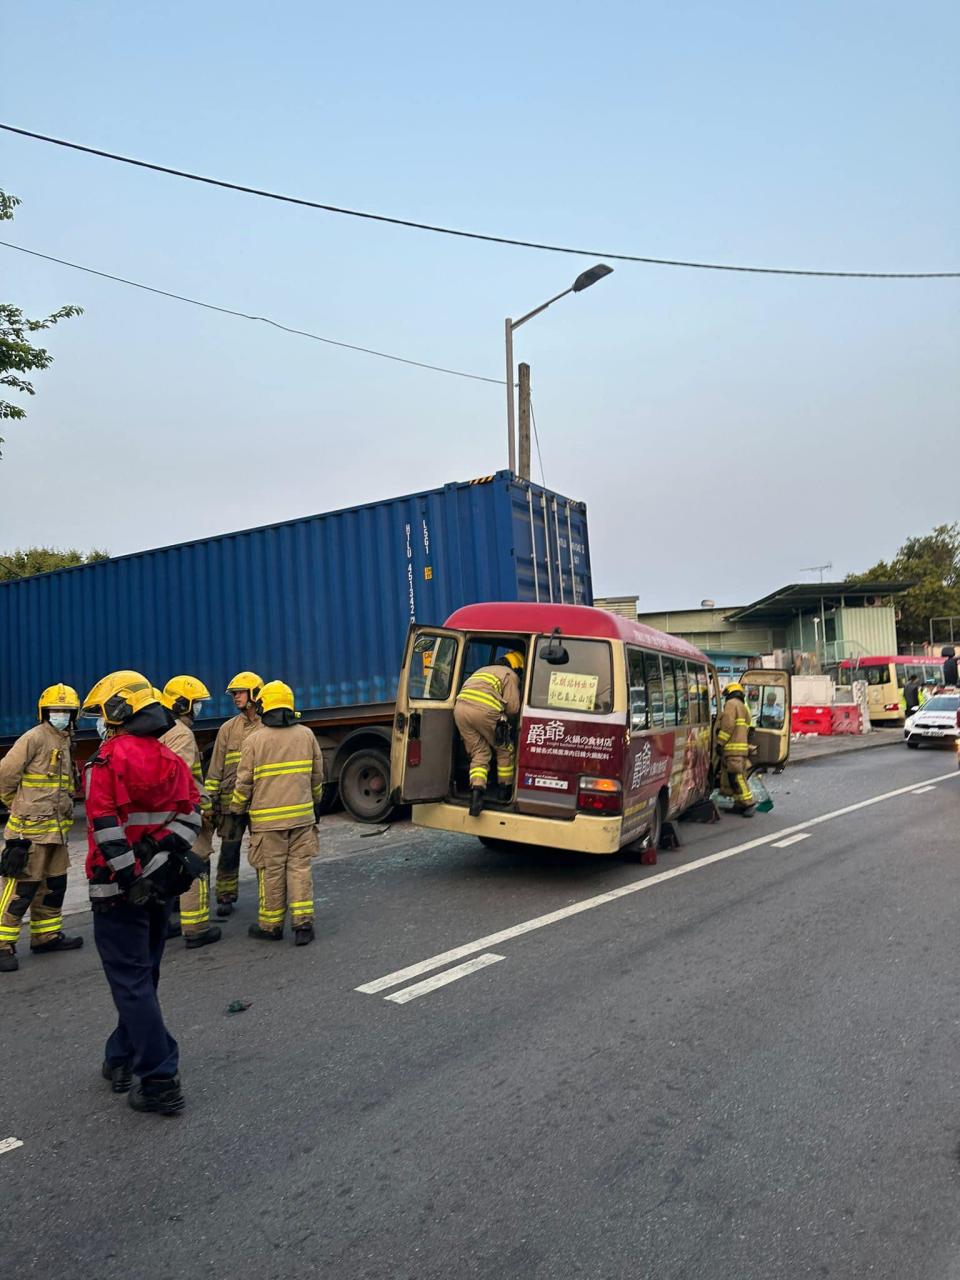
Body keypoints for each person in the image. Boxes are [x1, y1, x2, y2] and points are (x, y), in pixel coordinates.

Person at [82, 670, 203, 1116]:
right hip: (158, 887)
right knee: (143, 976)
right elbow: (191, 820)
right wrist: (154, 853)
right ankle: (121, 1055)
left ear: (117, 714)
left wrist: (131, 873)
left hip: (118, 890)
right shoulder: (171, 761)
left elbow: (105, 829)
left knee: (131, 981)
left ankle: (159, 1076)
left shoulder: (105, 762)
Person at [227, 680, 324, 946]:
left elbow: (243, 782)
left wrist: (236, 810)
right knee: (300, 868)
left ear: (263, 706)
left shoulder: (254, 739)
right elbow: (317, 777)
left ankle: (271, 926)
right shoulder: (307, 735)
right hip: (302, 818)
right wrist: (315, 804)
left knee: (272, 871)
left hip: (267, 823)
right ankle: (303, 925)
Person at [0, 684, 84, 973]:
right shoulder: (34, 737)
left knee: (53, 885)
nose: (60, 715)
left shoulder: (65, 740)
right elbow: (5, 775)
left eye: (66, 711)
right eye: (55, 711)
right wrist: (17, 805)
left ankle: (45, 936)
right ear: (44, 712)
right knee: (20, 889)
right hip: (29, 832)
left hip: (57, 831)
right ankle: (2, 944)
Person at [160, 675, 221, 950]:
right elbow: (182, 778)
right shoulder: (182, 734)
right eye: (195, 704)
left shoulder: (158, 730)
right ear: (182, 703)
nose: (198, 710)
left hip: (163, 815)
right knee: (195, 867)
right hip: (186, 814)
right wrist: (204, 808)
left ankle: (162, 925)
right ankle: (196, 928)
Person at [204, 671, 262, 916]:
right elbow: (215, 768)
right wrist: (211, 802)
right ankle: (226, 895)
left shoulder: (267, 726)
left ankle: (270, 897)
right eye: (234, 693)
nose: (235, 697)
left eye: (239, 692)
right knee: (229, 851)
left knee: (263, 852)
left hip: (260, 802)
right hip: (230, 805)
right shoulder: (228, 729)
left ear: (254, 694)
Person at [453, 651, 524, 817]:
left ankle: (476, 794)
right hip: (484, 711)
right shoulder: (510, 674)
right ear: (517, 667)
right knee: (504, 748)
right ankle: (504, 791)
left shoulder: (483, 670)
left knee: (479, 752)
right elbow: (513, 708)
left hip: (460, 710)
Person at [716, 681, 755, 817]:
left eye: (726, 694)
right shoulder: (742, 706)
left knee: (738, 778)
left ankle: (749, 803)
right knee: (733, 777)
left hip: (733, 749)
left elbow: (727, 726)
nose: (726, 697)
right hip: (740, 748)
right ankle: (739, 804)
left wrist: (720, 743)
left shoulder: (731, 704)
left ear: (731, 693)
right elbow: (748, 724)